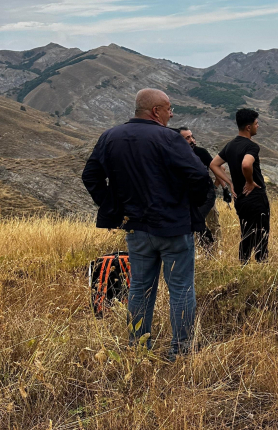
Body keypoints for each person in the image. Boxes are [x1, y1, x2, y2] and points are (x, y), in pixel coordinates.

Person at [82, 88, 211, 361]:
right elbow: (200, 176)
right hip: (174, 228)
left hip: (136, 228)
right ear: (156, 111)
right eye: (168, 108)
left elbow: (91, 176)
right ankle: (182, 351)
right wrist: (189, 207)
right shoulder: (168, 138)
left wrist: (114, 208)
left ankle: (137, 347)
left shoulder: (110, 137)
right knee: (181, 288)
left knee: (140, 287)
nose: (171, 113)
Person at [210, 108, 270, 263]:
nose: (258, 126)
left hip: (240, 198)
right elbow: (246, 164)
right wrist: (250, 182)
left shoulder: (230, 145)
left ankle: (243, 264)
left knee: (246, 233)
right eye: (256, 124)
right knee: (261, 233)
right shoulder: (252, 146)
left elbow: (214, 164)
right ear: (248, 127)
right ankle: (261, 265)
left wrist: (230, 182)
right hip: (256, 196)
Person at [178, 126, 220, 249]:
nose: (192, 140)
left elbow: (218, 168)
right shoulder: (177, 155)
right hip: (189, 197)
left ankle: (216, 249)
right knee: (196, 222)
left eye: (192, 136)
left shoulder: (201, 152)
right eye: (187, 138)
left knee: (212, 222)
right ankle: (201, 249)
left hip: (206, 194)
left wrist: (216, 187)